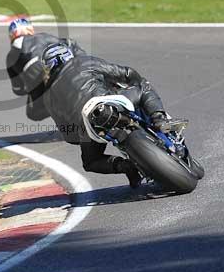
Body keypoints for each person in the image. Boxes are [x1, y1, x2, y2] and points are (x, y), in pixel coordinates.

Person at [40, 43, 170, 188]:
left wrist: (84, 137)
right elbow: (125, 72)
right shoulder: (81, 61)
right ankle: (159, 119)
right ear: (67, 55)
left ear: (49, 67)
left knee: (91, 162)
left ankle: (126, 166)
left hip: (87, 126)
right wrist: (134, 80)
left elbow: (67, 134)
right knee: (143, 86)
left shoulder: (47, 96)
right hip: (108, 103)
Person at [5, 17, 85, 121]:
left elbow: (18, 90)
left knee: (32, 113)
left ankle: (59, 109)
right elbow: (69, 44)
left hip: (40, 78)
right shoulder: (43, 36)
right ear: (30, 29)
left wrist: (28, 84)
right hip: (65, 65)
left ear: (12, 35)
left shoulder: (11, 56)